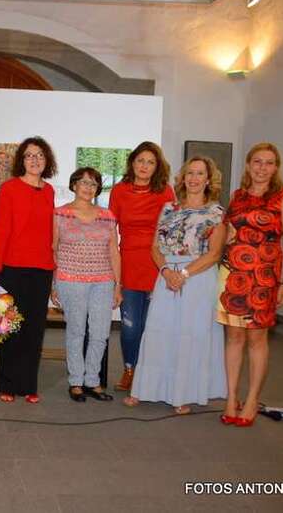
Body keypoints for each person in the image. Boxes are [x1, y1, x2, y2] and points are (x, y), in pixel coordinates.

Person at [123, 156, 227, 414]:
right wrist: (167, 271)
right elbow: (155, 247)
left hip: (197, 278)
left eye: (199, 173)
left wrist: (183, 273)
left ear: (208, 179)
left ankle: (182, 394)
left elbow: (214, 254)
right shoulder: (169, 208)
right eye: (189, 173)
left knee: (189, 334)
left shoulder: (216, 213)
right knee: (159, 331)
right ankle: (144, 389)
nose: (193, 178)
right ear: (182, 178)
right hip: (167, 276)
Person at [217, 143, 283, 427]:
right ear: (249, 164)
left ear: (276, 167)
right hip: (233, 275)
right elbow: (228, 232)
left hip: (264, 278)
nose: (262, 167)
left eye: (269, 162)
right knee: (234, 338)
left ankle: (251, 399)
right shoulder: (236, 196)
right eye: (257, 161)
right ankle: (231, 398)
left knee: (256, 339)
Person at [0, 136, 56, 404]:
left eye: (39, 155)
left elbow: (51, 233)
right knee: (11, 326)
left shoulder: (49, 191)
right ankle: (8, 384)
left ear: (46, 160)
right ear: (21, 160)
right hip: (13, 267)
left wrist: (56, 265)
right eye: (29, 155)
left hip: (42, 268)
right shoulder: (10, 189)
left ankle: (28, 385)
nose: (34, 159)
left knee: (35, 330)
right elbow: (3, 229)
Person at [108, 141, 174, 391]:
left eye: (150, 162)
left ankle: (153, 375)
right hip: (129, 264)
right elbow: (110, 231)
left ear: (157, 166)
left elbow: (171, 231)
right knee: (130, 326)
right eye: (140, 161)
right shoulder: (119, 190)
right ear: (132, 162)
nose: (144, 166)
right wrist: (114, 273)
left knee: (154, 326)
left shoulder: (165, 191)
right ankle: (130, 371)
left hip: (158, 264)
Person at [52, 167, 121, 403]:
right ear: (73, 185)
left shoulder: (107, 215)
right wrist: (53, 284)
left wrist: (118, 285)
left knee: (101, 333)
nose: (87, 187)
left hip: (103, 280)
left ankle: (93, 381)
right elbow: (53, 249)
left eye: (93, 184)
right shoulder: (60, 214)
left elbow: (114, 250)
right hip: (70, 280)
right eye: (83, 182)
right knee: (76, 331)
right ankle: (76, 382)